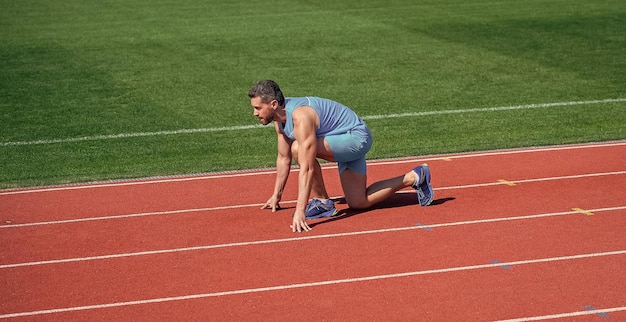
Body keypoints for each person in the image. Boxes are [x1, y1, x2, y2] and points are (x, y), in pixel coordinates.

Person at [248, 80, 433, 232]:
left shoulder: (301, 116)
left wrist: (300, 210)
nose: (254, 113)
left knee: (299, 148)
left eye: (257, 108)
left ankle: (322, 202)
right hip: (340, 139)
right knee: (358, 202)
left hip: (355, 138)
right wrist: (276, 196)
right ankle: (415, 177)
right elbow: (283, 158)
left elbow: (307, 166)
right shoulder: (278, 121)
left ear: (273, 104)